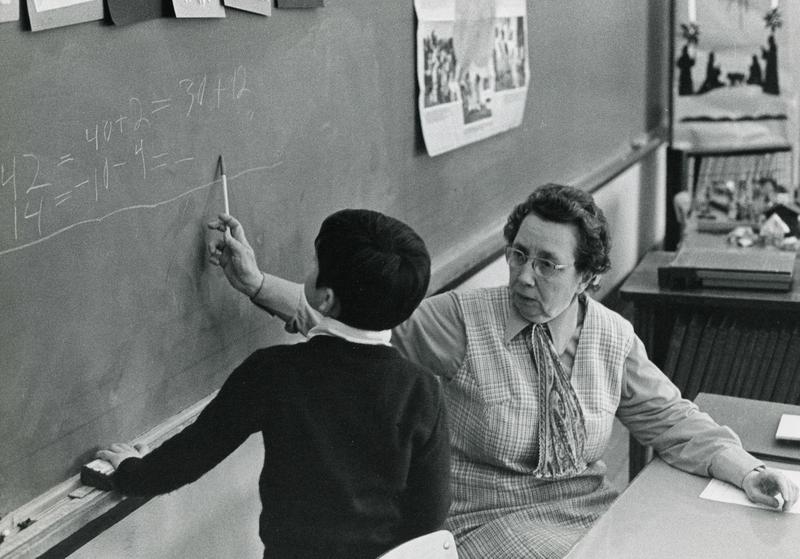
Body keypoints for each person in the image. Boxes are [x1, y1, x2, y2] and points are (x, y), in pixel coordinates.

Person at [209, 185, 798, 559]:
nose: (522, 276)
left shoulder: (612, 337)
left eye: (547, 264)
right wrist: (258, 284)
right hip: (483, 520)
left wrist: (746, 471)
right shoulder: (463, 320)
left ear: (588, 277)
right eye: (518, 254)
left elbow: (673, 421)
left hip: (584, 508)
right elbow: (354, 318)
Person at [97, 209, 452, 559]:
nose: (309, 270)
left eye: (314, 264)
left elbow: (192, 455)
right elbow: (430, 515)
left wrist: (132, 470)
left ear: (325, 298)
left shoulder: (274, 372)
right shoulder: (422, 391)